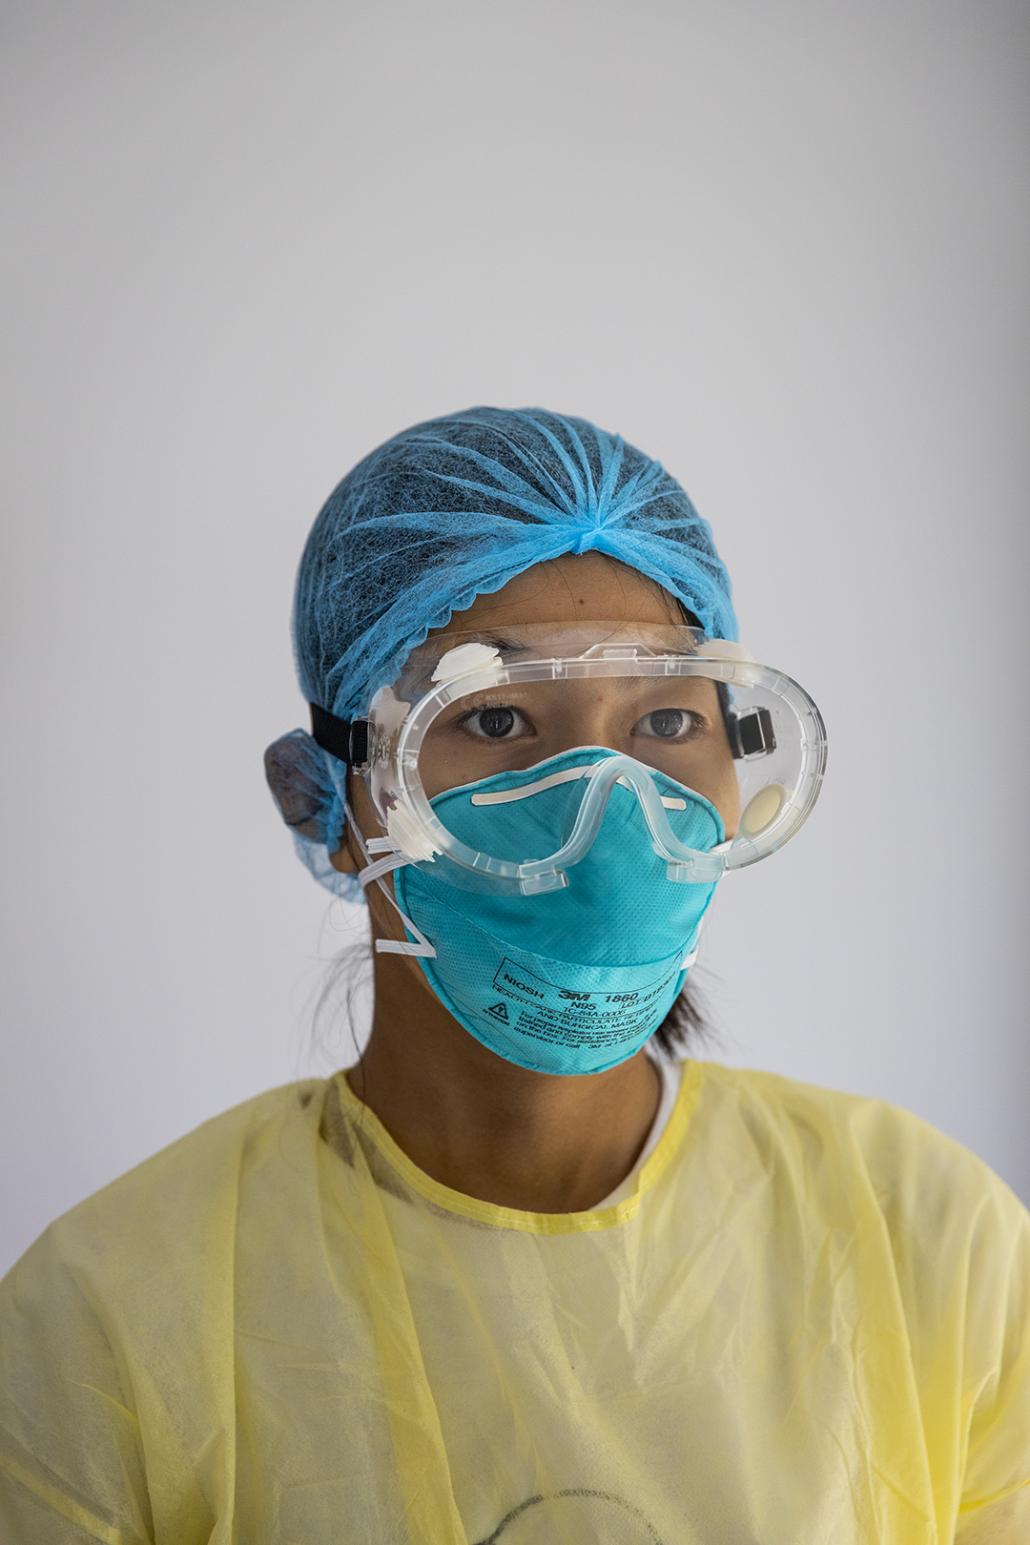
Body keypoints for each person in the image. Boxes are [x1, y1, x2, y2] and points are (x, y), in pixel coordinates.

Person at [1, 406, 1027, 1543]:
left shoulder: (932, 1244)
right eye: (493, 718)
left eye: (670, 718)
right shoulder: (104, 1319)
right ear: (328, 799)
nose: (604, 809)